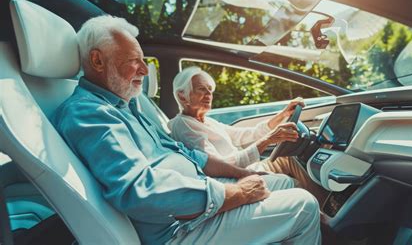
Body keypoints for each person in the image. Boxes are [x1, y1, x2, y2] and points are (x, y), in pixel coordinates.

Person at [52, 15, 321, 245]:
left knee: (284, 182)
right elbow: (139, 190)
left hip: (199, 195)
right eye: (135, 60)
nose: (145, 70)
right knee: (304, 205)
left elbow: (189, 155)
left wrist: (242, 174)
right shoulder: (89, 113)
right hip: (177, 228)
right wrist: (234, 193)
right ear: (98, 61)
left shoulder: (127, 106)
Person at [168, 67, 328, 201]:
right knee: (292, 183)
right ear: (182, 95)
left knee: (288, 158)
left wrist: (283, 115)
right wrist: (269, 139)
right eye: (202, 89)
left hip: (244, 167)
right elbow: (220, 165)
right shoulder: (182, 125)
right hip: (233, 177)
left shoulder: (207, 121)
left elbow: (244, 134)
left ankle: (325, 208)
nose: (209, 94)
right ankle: (323, 220)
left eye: (210, 90)